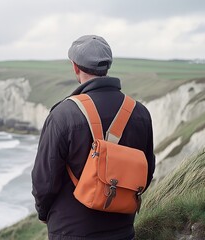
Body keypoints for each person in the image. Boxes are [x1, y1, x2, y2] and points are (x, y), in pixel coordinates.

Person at [31, 35, 155, 240]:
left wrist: (43, 213)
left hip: (70, 231)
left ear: (75, 67)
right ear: (107, 66)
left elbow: (44, 179)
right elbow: (147, 170)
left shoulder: (63, 114)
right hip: (122, 230)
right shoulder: (140, 112)